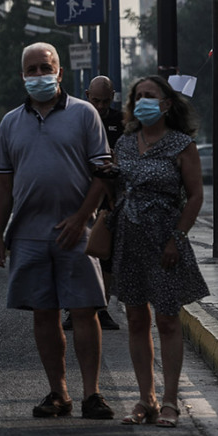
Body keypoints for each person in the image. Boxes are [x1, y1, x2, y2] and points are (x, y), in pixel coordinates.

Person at [0, 42, 115, 420]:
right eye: (32, 69)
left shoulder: (84, 114)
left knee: (83, 311)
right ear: (22, 76)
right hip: (28, 233)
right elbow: (2, 185)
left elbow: (103, 173)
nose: (39, 75)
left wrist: (81, 218)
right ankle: (58, 393)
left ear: (60, 73)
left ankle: (92, 393)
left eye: (46, 67)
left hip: (77, 231)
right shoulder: (11, 123)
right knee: (42, 314)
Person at [108, 75, 209, 428]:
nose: (143, 101)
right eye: (138, 97)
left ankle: (170, 401)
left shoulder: (182, 145)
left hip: (165, 240)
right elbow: (113, 187)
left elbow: (195, 196)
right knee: (136, 319)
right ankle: (145, 398)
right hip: (129, 240)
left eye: (150, 96)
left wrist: (177, 238)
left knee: (166, 319)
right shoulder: (123, 144)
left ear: (166, 103)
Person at [64, 75, 124, 332]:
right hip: (80, 193)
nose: (100, 106)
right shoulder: (75, 116)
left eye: (106, 101)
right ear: (87, 95)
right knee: (78, 251)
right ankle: (74, 307)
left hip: (110, 196)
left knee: (105, 253)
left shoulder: (121, 122)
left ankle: (102, 307)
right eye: (96, 100)